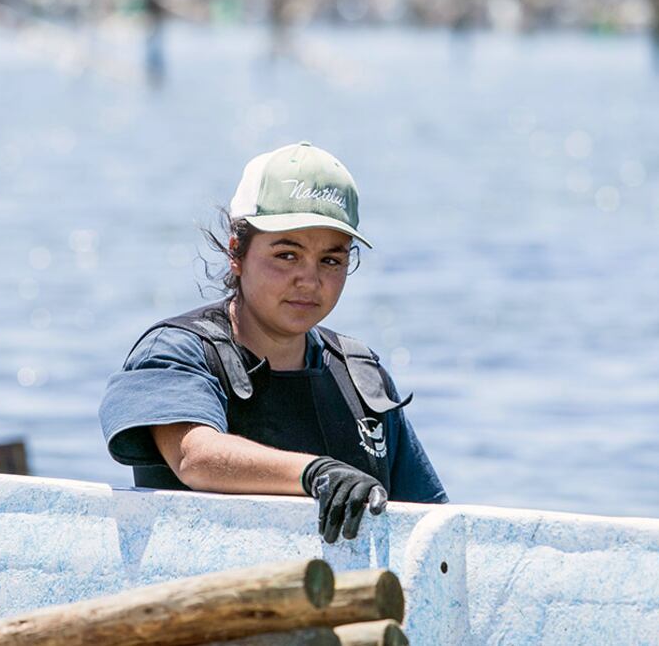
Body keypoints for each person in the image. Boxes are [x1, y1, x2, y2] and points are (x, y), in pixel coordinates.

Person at [99, 141, 447, 544]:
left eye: (331, 260)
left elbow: (431, 527)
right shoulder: (176, 352)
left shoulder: (361, 377)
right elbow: (195, 458)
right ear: (236, 252)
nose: (309, 280)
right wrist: (316, 473)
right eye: (287, 255)